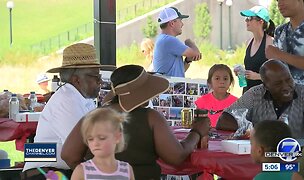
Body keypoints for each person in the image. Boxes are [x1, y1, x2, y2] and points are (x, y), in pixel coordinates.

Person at [61, 65, 211, 180]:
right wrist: (197, 132)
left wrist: (96, 173)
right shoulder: (151, 117)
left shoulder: (94, 117)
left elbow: (68, 154)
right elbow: (176, 156)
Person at [22, 43, 115, 179]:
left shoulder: (81, 97)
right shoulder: (67, 100)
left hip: (58, 170)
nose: (100, 82)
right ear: (77, 80)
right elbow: (81, 150)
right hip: (44, 173)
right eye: (96, 77)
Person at [216, 60, 304, 139]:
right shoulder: (255, 93)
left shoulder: (303, 93)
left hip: (293, 155)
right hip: (260, 157)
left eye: (289, 80)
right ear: (265, 86)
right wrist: (253, 130)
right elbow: (224, 120)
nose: (286, 86)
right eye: (278, 84)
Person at [266, 0, 304, 104]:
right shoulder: (280, 31)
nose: (279, 3)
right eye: (277, 0)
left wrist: (279, 54)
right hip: (287, 103)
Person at [71, 108, 134, 180]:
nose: (95, 143)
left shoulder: (127, 170)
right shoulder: (82, 171)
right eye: (90, 139)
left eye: (102, 138)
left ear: (117, 137)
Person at [153, 7, 202, 77]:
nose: (182, 24)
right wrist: (188, 42)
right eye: (180, 21)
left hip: (169, 86)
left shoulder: (164, 39)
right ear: (172, 23)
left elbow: (180, 71)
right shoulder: (168, 40)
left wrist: (188, 61)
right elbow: (196, 53)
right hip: (169, 87)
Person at [238, 6, 275, 93]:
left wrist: (258, 76)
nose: (246, 21)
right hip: (248, 94)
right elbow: (252, 67)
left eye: (250, 18)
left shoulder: (271, 43)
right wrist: (242, 73)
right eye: (246, 18)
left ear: (261, 21)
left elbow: (279, 74)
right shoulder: (248, 42)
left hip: (266, 96)